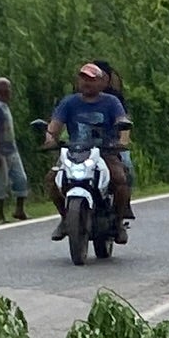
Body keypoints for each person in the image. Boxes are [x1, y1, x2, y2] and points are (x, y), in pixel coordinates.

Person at [49, 62, 132, 234]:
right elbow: (54, 127)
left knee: (120, 179)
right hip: (75, 151)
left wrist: (121, 142)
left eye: (92, 79)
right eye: (84, 78)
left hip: (105, 151)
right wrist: (50, 139)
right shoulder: (69, 102)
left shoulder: (112, 102)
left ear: (102, 82)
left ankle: (117, 222)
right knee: (51, 179)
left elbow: (122, 122)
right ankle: (65, 218)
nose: (87, 82)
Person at [0, 76, 26, 222]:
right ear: (0, 90)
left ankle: (19, 210)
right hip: (0, 151)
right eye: (6, 89)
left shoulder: (4, 105)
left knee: (21, 179)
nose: (9, 92)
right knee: (0, 183)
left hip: (11, 149)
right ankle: (0, 216)